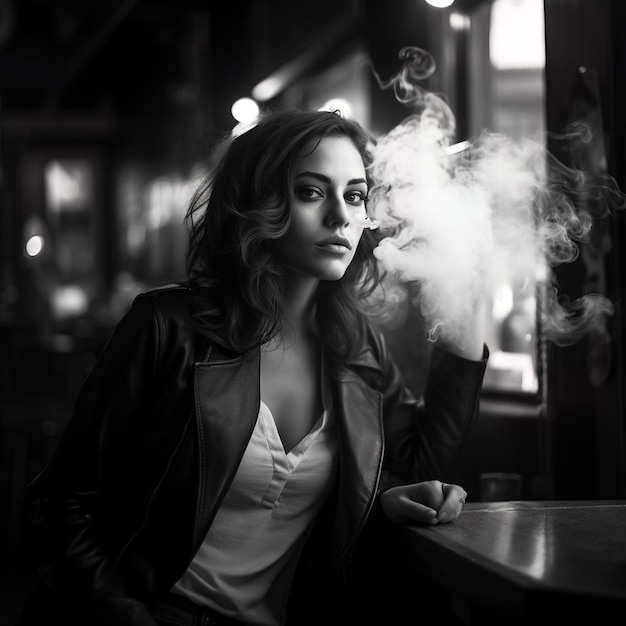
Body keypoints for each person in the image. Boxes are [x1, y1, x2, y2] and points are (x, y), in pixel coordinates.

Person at [16, 109, 488, 626]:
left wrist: (470, 290)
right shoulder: (167, 327)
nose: (340, 216)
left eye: (355, 195)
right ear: (258, 204)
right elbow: (59, 504)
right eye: (311, 192)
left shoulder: (358, 350)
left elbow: (418, 469)